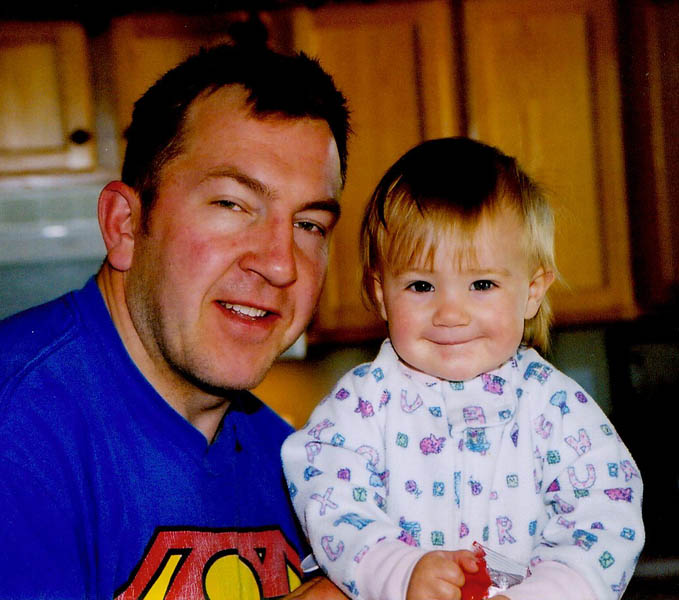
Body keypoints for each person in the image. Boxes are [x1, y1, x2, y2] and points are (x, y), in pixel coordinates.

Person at [0, 43, 352, 600]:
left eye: (309, 225)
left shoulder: (301, 469)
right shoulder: (18, 428)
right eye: (232, 205)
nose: (281, 264)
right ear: (124, 225)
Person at [282, 137, 644, 600]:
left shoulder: (556, 407)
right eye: (420, 286)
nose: (450, 314)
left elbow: (606, 516)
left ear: (532, 291)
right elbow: (329, 498)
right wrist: (401, 573)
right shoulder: (361, 405)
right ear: (380, 294)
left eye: (482, 284)